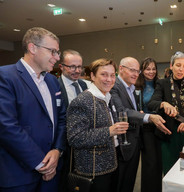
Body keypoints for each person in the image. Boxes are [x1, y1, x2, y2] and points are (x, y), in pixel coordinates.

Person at [0, 27, 66, 192]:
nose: (57, 58)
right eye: (53, 51)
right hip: (18, 174)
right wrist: (41, 163)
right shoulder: (5, 76)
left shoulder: (52, 81)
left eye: (58, 52)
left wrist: (57, 150)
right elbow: (6, 126)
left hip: (52, 171)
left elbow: (62, 119)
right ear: (32, 48)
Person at [66, 58, 128, 192]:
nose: (109, 79)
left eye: (112, 75)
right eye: (104, 74)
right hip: (93, 170)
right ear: (93, 76)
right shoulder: (82, 101)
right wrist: (109, 131)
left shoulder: (107, 97)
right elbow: (75, 138)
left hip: (112, 163)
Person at [110, 57, 171, 192]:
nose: (135, 74)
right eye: (132, 70)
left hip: (142, 134)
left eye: (137, 71)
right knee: (123, 180)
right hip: (127, 137)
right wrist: (147, 116)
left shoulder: (132, 87)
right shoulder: (116, 86)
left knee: (131, 178)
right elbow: (122, 111)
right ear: (121, 69)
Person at [148, 51, 184, 175]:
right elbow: (152, 103)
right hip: (169, 136)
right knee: (170, 172)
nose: (181, 69)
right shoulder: (163, 83)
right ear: (171, 65)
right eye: (178, 65)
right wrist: (163, 104)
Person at [57, 49, 88, 192]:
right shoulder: (55, 86)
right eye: (72, 67)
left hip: (83, 143)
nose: (77, 71)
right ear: (61, 66)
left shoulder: (84, 85)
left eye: (79, 67)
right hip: (64, 144)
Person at [135, 57, 162, 192]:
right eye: (147, 69)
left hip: (161, 127)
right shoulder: (137, 86)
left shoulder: (160, 84)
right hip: (146, 129)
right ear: (142, 70)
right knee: (150, 163)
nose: (151, 72)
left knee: (159, 163)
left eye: (153, 69)